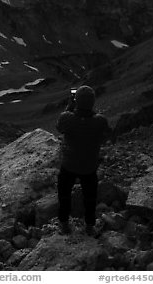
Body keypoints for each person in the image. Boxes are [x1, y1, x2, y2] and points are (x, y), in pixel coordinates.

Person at [56, 85, 115, 236]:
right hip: (89, 166)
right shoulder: (100, 121)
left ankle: (64, 224)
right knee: (90, 197)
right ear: (93, 102)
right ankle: (89, 226)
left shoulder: (67, 117)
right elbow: (107, 136)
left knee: (64, 194)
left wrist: (70, 107)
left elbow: (59, 128)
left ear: (76, 100)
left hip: (68, 164)